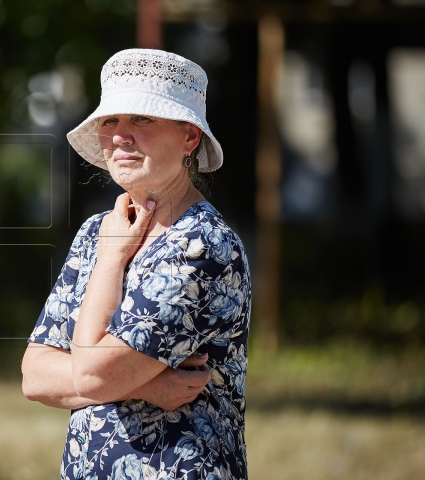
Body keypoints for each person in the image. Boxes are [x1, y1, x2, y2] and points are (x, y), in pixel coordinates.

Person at [21, 49, 251, 480]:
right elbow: (34, 374)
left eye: (142, 119)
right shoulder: (99, 230)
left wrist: (111, 260)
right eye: (110, 121)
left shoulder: (203, 246)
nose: (121, 136)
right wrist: (148, 384)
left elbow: (89, 374)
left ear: (189, 138)